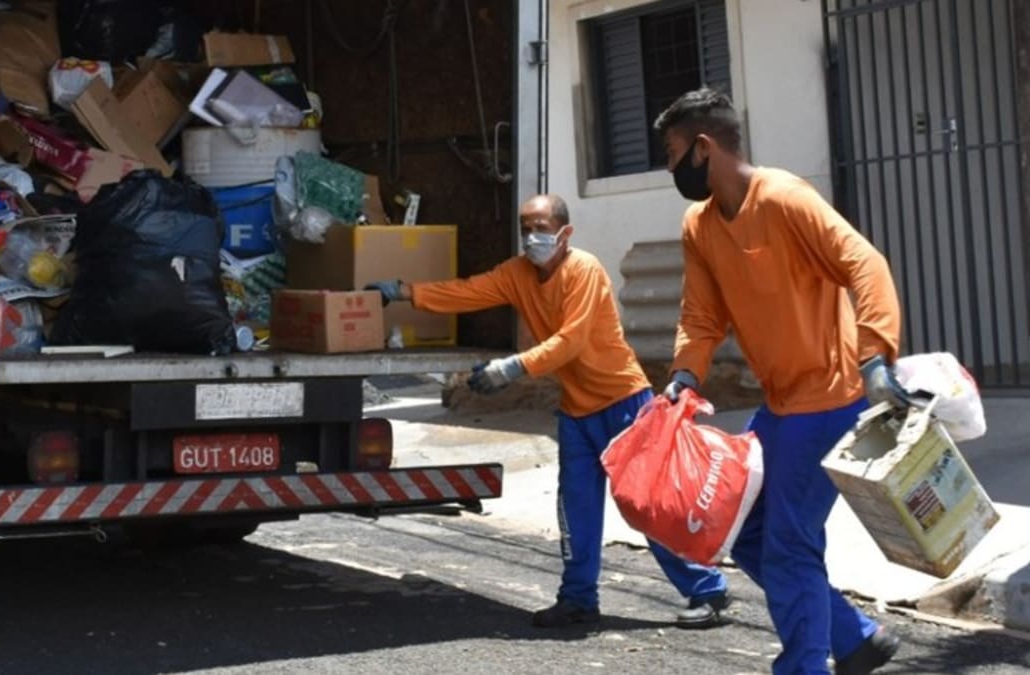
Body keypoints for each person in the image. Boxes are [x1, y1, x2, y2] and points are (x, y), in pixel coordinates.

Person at [364, 194, 730, 629]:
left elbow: (570, 340)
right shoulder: (518, 274)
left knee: (646, 506)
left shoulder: (585, 270)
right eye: (525, 229)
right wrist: (405, 291)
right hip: (576, 411)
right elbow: (468, 290)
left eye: (540, 228)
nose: (531, 238)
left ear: (565, 232)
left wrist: (511, 368)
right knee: (575, 509)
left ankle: (708, 590)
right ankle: (578, 598)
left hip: (624, 405)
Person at [653, 87, 908, 675]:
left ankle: (804, 665)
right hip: (780, 405)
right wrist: (684, 376)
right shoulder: (700, 224)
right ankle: (855, 637)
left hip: (831, 400)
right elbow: (700, 314)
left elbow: (864, 263)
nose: (668, 167)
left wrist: (875, 357)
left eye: (671, 153)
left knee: (790, 545)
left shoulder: (786, 197)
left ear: (703, 147)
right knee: (740, 528)